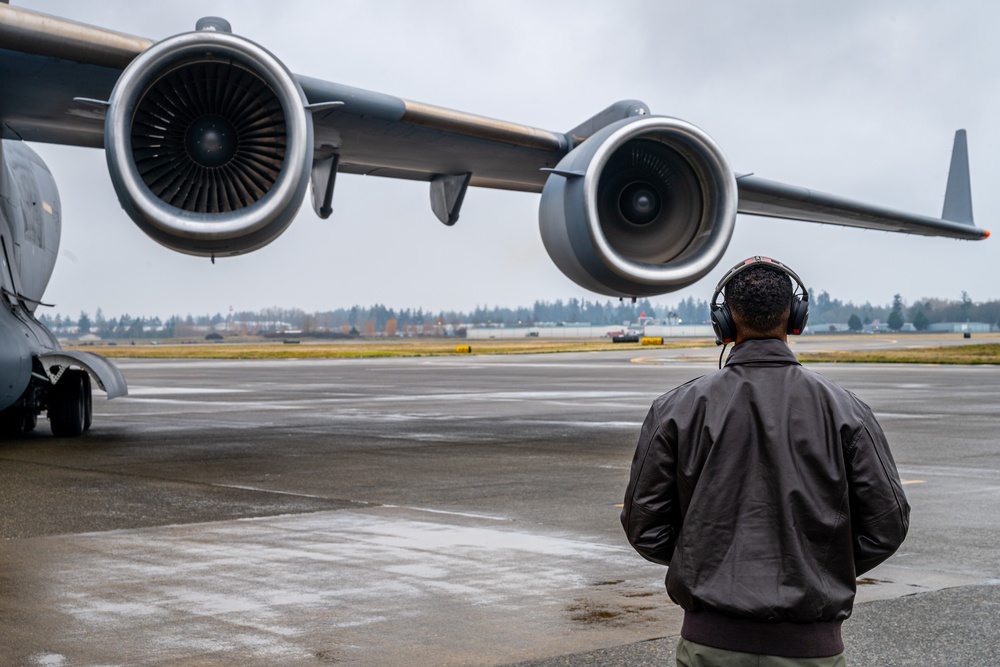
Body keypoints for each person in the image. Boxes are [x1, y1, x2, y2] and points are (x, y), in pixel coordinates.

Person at [620, 256, 910, 666]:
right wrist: (816, 568)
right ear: (796, 317)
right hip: (812, 650)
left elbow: (643, 526)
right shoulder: (848, 411)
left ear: (723, 323)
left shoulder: (675, 409)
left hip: (710, 646)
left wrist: (707, 564)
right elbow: (888, 526)